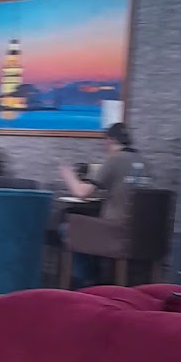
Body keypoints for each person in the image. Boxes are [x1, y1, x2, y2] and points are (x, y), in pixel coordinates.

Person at [59, 123, 149, 287]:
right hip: (143, 234)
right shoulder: (143, 161)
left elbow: (81, 192)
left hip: (117, 232)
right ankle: (99, 279)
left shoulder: (115, 159)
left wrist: (68, 175)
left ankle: (87, 283)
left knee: (67, 228)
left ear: (110, 140)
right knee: (89, 228)